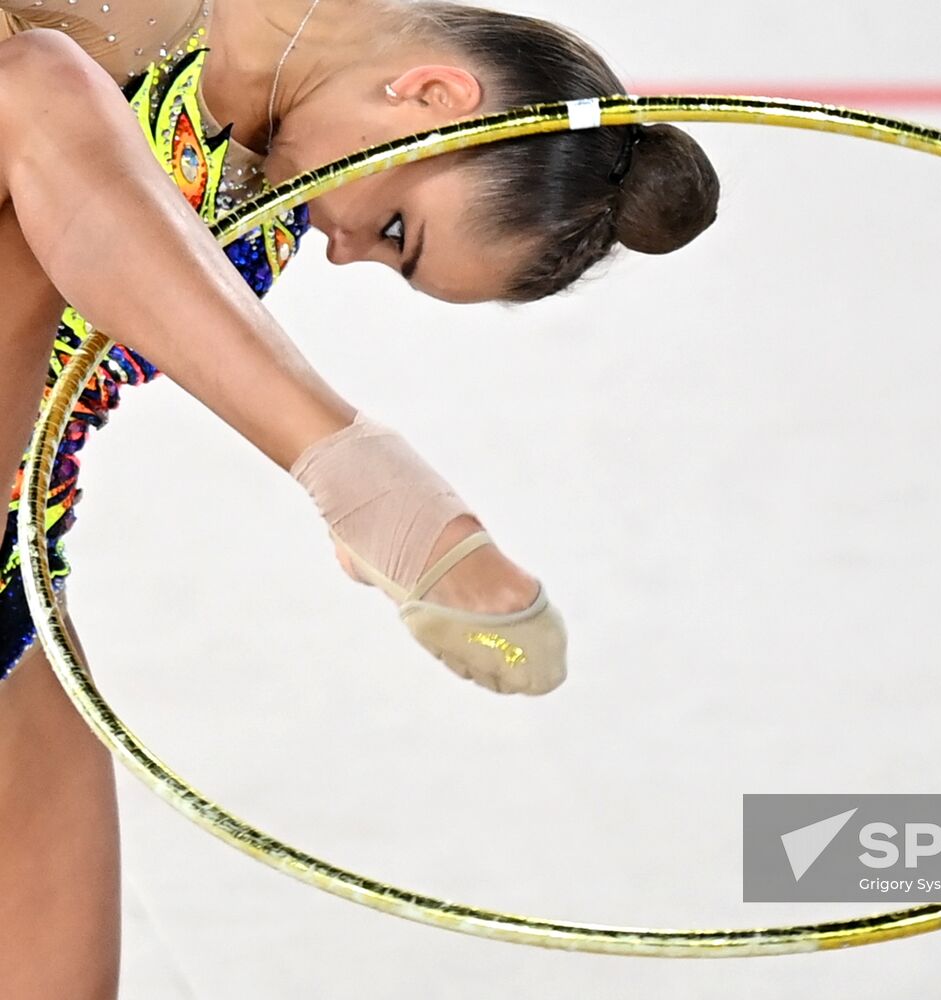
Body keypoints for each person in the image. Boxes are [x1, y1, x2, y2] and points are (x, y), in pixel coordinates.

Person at [0, 1, 720, 994]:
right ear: (429, 92)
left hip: (14, 573)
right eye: (393, 230)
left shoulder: (280, 159)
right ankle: (371, 483)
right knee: (36, 87)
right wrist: (369, 493)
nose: (341, 248)